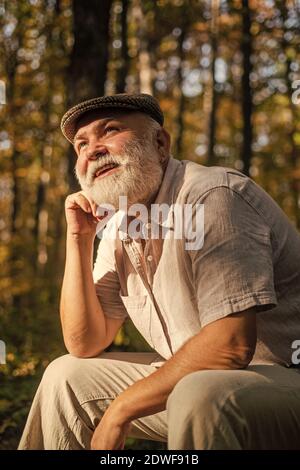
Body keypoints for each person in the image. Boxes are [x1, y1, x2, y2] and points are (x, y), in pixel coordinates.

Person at [19, 93, 300, 450]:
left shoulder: (213, 195)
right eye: (81, 145)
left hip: (286, 379)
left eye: (111, 130)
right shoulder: (119, 225)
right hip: (206, 384)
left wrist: (122, 408)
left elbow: (230, 345)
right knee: (66, 376)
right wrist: (80, 237)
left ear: (160, 143)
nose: (93, 150)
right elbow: (85, 342)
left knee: (201, 393)